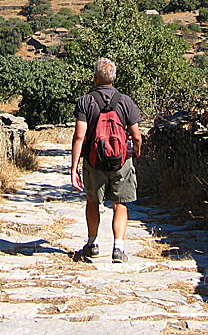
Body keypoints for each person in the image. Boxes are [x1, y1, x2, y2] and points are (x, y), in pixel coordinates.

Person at [70, 57, 143, 263]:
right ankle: (118, 248)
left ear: (95, 79)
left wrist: (74, 167)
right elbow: (136, 135)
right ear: (114, 78)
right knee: (120, 203)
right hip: (121, 160)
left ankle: (92, 244)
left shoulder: (85, 102)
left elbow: (79, 136)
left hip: (94, 161)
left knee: (92, 201)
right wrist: (135, 152)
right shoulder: (126, 101)